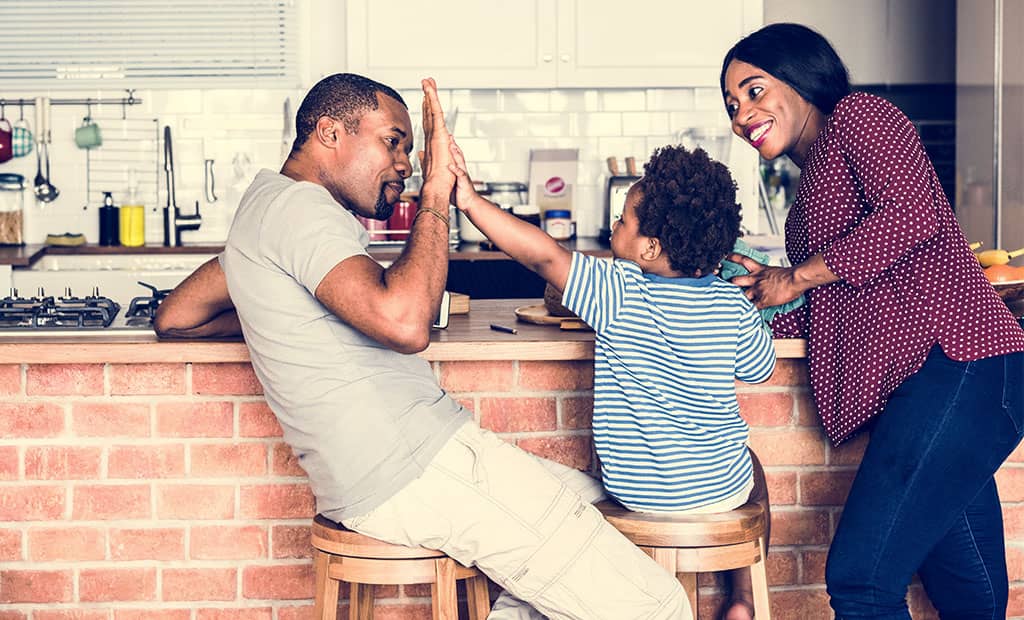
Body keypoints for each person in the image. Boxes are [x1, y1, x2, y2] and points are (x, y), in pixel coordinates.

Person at [153, 72, 693, 620]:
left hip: (398, 469)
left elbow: (175, 317)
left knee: (592, 500)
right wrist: (438, 190)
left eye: (412, 151)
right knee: (661, 606)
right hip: (417, 468)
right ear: (330, 133)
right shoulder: (300, 211)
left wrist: (285, 319)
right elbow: (406, 324)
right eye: (392, 141)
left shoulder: (266, 209)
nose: (406, 165)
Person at [720, 23, 1024, 620]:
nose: (741, 115)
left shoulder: (859, 115)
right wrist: (762, 293)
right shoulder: (807, 192)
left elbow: (914, 213)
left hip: (959, 365)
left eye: (754, 91)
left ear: (801, 76)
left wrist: (797, 276)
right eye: (732, 105)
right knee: (972, 596)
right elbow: (852, 294)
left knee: (861, 579)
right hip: (931, 391)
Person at [447, 141, 776, 620]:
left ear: (649, 248)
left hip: (637, 494)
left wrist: (471, 202)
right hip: (718, 495)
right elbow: (759, 369)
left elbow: (542, 256)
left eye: (622, 221)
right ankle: (743, 596)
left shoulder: (617, 291)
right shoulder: (733, 306)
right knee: (751, 467)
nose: (614, 226)